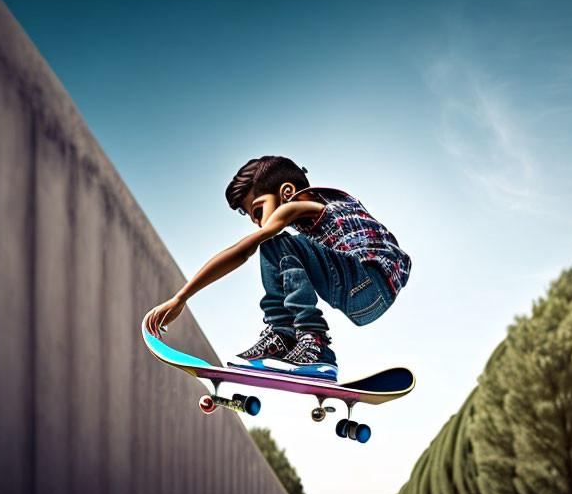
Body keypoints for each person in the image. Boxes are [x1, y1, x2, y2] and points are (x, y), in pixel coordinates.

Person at [145, 156, 411, 381]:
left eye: (259, 211)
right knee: (281, 245)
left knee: (273, 243)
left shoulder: (299, 204)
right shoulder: (329, 209)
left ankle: (307, 341)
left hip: (366, 281)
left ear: (285, 192)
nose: (260, 223)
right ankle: (290, 339)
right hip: (365, 296)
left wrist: (182, 297)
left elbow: (242, 252)